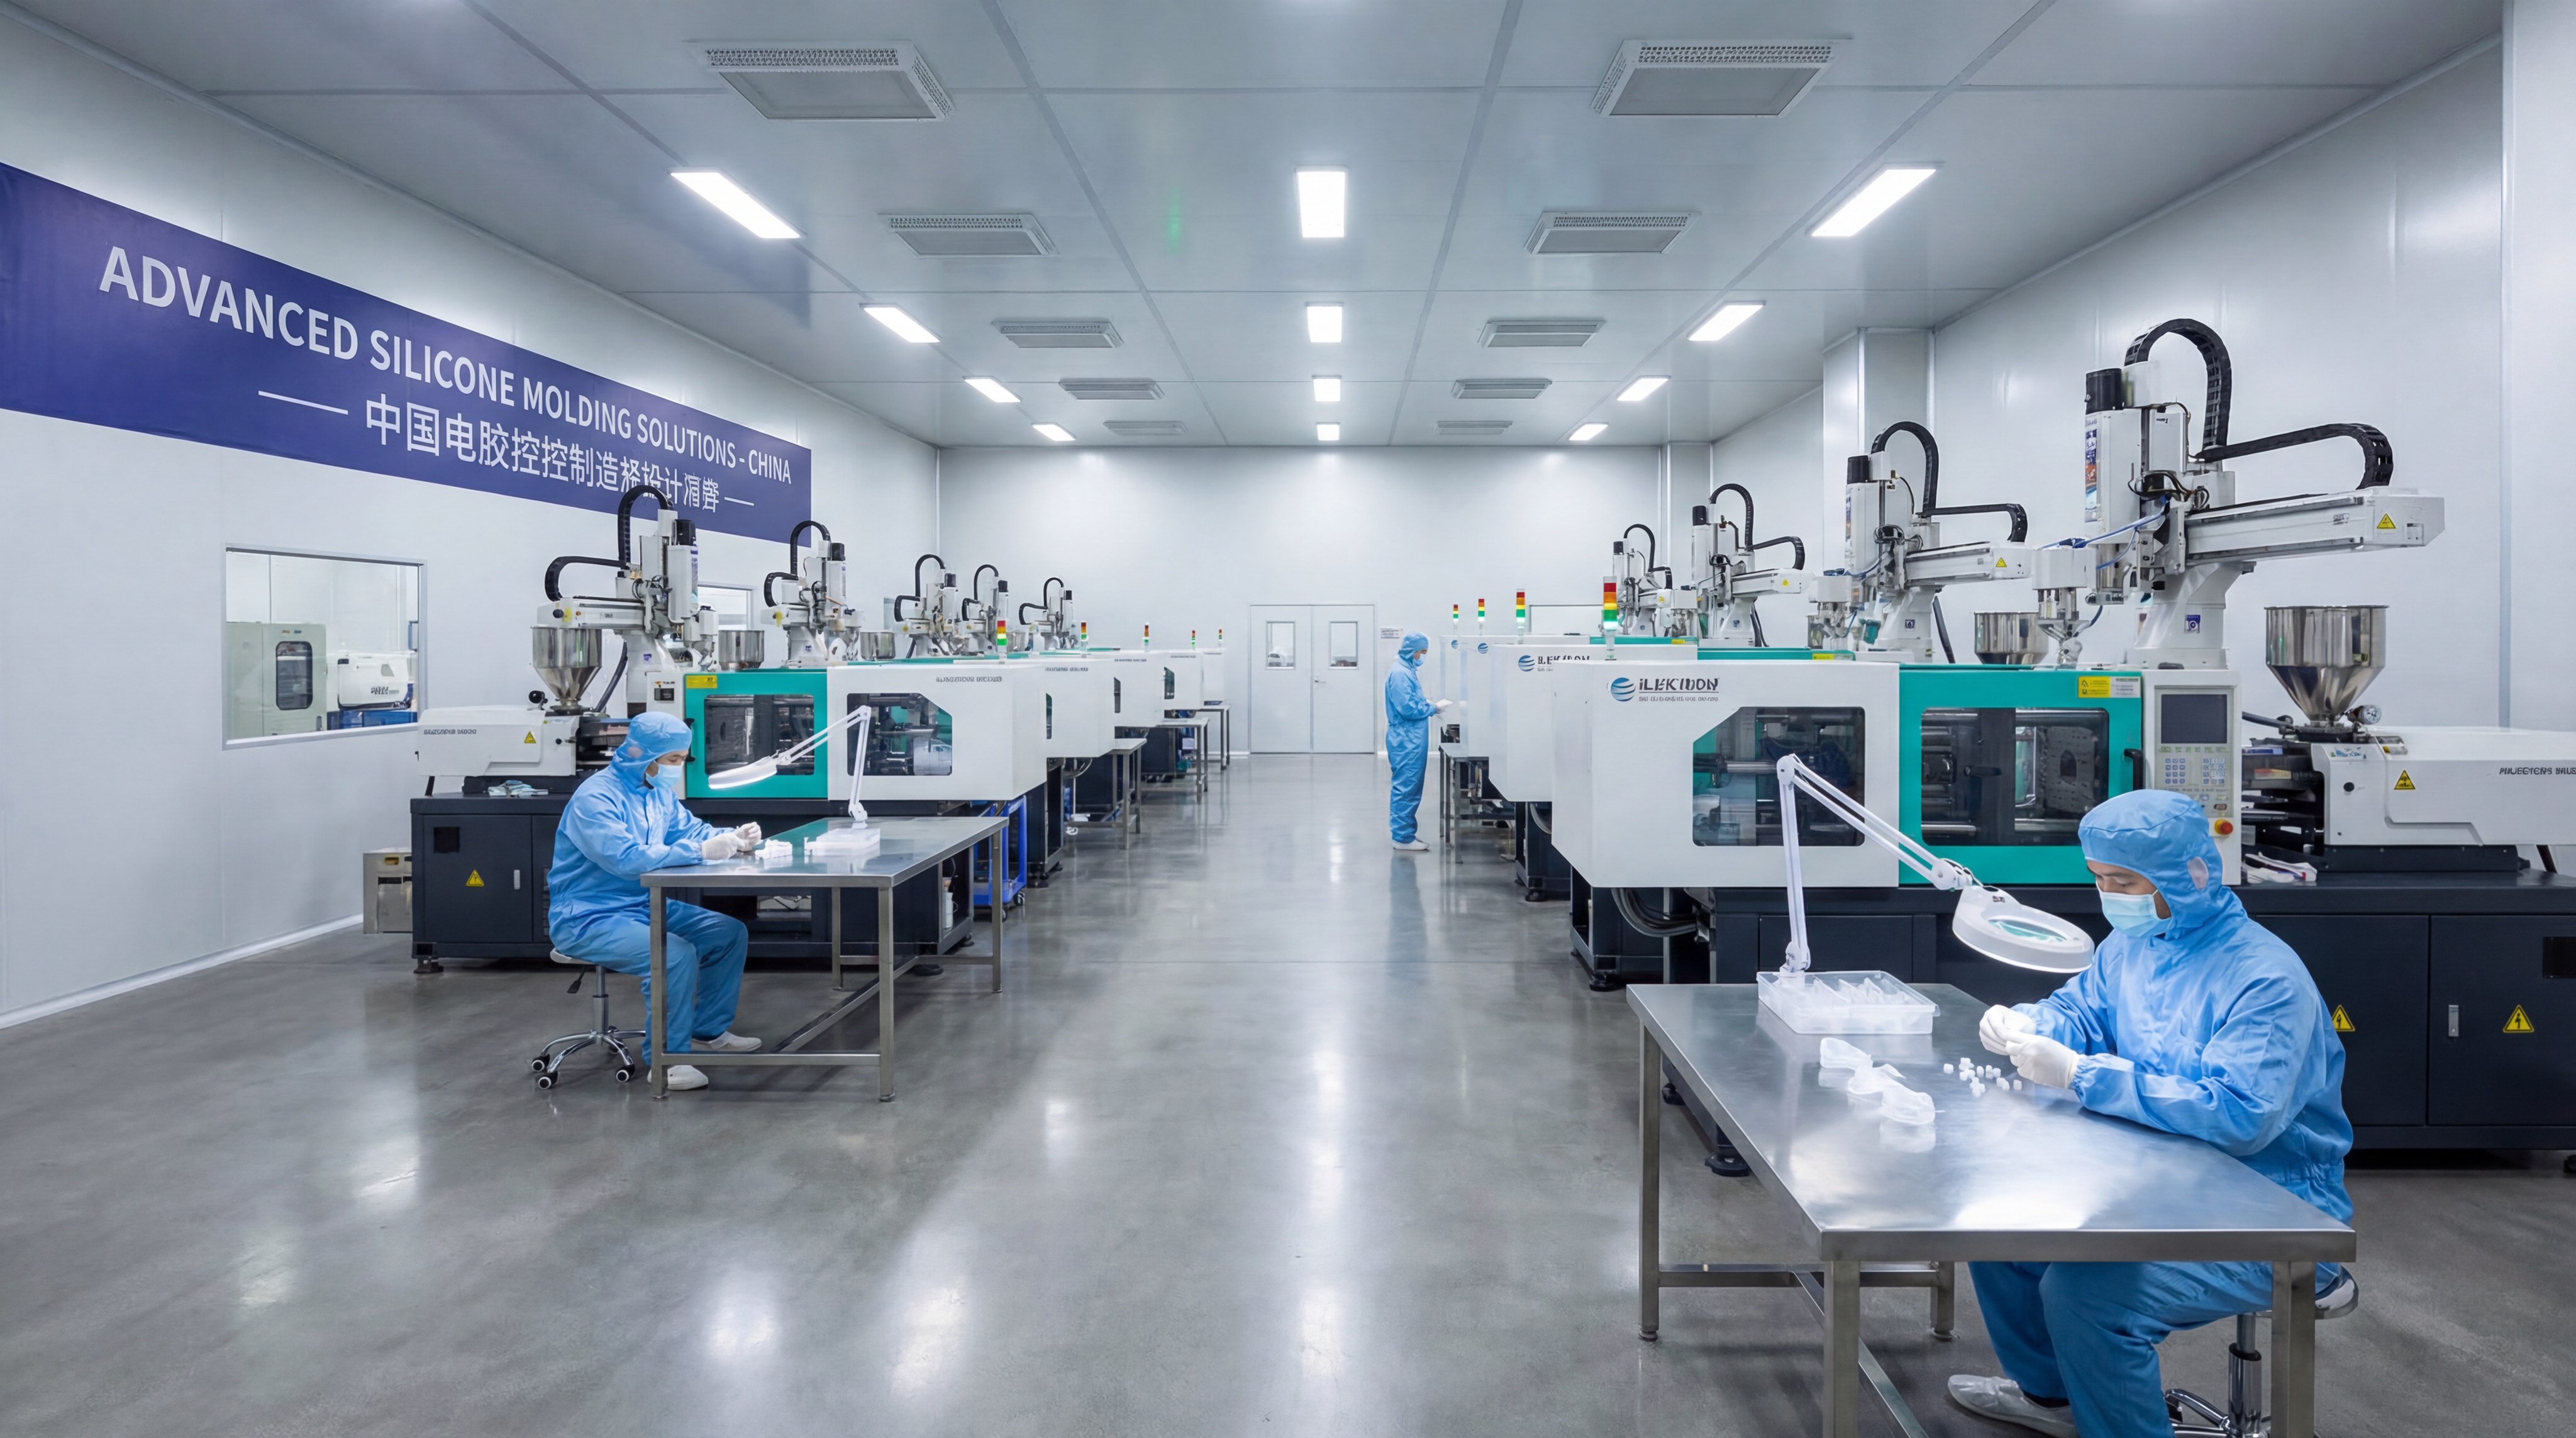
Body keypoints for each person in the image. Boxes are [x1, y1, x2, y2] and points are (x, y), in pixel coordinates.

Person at [1946, 788, 2352, 1438]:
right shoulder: (2135, 946)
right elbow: (2083, 1010)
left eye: (2124, 881)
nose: (2111, 895)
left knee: (2085, 1300)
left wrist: (2082, 1074)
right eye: (2101, 879)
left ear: (2187, 876)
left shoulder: (2265, 980)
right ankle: (2051, 1399)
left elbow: (2238, 1116)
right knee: (2001, 1237)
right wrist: (2030, 1023)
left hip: (2269, 1213)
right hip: (2158, 1183)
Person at [547, 711, 764, 1092]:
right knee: (673, 954)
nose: (678, 768)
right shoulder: (596, 798)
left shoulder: (657, 792)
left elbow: (692, 831)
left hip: (640, 906)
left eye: (682, 759)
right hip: (587, 915)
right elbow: (627, 858)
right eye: (674, 761)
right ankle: (668, 1062)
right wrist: (703, 850)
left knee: (727, 932)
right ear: (643, 756)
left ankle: (707, 1029)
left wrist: (733, 837)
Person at [1383, 632, 1455, 852]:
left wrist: (1428, 704)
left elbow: (1412, 700)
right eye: (1421, 653)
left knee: (1411, 787)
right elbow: (1408, 708)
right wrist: (1433, 708)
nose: (1422, 657)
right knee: (1406, 787)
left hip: (1410, 738)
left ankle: (1405, 834)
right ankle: (1403, 838)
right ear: (1412, 651)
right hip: (1406, 740)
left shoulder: (1407, 671)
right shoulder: (1400, 674)